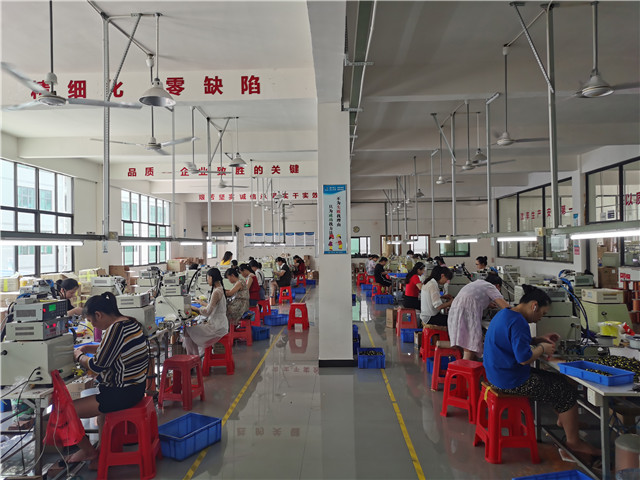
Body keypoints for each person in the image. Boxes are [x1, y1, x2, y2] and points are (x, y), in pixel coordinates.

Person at [484, 285, 600, 459]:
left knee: (560, 380)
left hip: (498, 375)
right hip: (510, 381)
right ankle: (574, 442)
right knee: (565, 392)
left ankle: (565, 419)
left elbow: (513, 340)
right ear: (534, 306)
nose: (540, 318)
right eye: (542, 313)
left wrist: (537, 339)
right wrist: (542, 348)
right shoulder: (519, 322)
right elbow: (524, 359)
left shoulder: (506, 314)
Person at [69, 292, 149, 464]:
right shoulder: (130, 322)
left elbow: (97, 366)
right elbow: (112, 349)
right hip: (136, 388)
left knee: (65, 412)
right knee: (101, 416)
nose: (93, 326)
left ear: (98, 315)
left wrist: (78, 356)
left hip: (121, 393)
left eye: (91, 321)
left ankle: (88, 451)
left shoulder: (115, 329)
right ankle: (102, 452)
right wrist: (88, 348)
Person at [447, 273, 510, 360]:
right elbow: (506, 308)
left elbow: (474, 298)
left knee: (465, 341)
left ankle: (466, 365)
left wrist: (488, 304)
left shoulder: (478, 283)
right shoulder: (491, 287)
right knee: (470, 343)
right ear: (498, 286)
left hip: (455, 310)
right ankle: (465, 367)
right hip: (467, 311)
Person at [184, 268, 228, 355]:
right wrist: (202, 303)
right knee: (193, 328)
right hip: (221, 324)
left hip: (216, 328)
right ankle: (195, 356)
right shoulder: (220, 288)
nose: (207, 281)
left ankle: (193, 356)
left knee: (187, 330)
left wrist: (195, 308)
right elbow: (214, 306)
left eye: (207, 278)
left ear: (211, 277)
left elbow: (208, 312)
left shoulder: (216, 292)